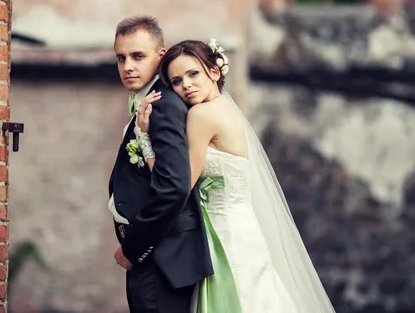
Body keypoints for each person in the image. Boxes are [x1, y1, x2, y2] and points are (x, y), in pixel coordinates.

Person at [134, 38, 338, 313]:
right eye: (177, 81)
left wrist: (144, 137)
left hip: (223, 235)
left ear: (214, 72)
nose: (186, 86)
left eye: (193, 74)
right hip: (244, 228)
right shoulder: (227, 110)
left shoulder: (201, 115)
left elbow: (179, 183)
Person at [108, 16, 213, 313]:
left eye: (138, 56)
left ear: (161, 55)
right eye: (121, 58)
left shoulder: (163, 104)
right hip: (155, 258)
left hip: (159, 258)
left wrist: (133, 249)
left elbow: (174, 187)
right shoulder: (148, 102)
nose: (128, 66)